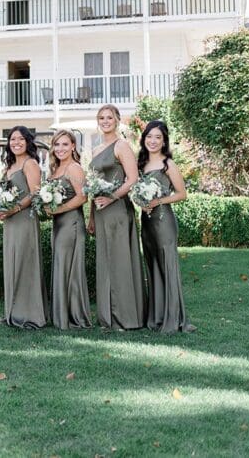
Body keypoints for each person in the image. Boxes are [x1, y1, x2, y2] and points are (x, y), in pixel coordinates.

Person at [88, 104, 146, 330]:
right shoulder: (96, 150)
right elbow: (93, 186)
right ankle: (107, 317)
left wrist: (111, 198)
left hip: (118, 210)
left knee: (120, 262)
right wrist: (91, 217)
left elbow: (132, 179)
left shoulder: (122, 145)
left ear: (117, 120)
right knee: (106, 262)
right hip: (100, 212)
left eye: (109, 117)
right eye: (101, 118)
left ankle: (126, 316)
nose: (105, 121)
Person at [138, 120, 195, 334]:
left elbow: (182, 194)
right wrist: (141, 201)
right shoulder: (141, 164)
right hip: (146, 221)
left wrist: (158, 201)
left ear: (164, 141)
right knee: (152, 265)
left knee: (167, 266)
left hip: (163, 221)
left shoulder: (167, 164)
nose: (152, 141)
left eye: (158, 137)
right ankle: (157, 317)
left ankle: (174, 319)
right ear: (144, 139)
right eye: (149, 136)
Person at [0, 126, 49, 328]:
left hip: (24, 219)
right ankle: (12, 311)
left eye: (20, 139)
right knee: (12, 263)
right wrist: (0, 207)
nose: (16, 143)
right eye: (12, 139)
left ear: (28, 142)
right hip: (10, 221)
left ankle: (29, 314)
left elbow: (35, 193)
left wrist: (15, 208)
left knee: (25, 262)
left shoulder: (30, 163)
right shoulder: (8, 166)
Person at [44, 129, 92, 330]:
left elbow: (82, 197)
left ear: (73, 146)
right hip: (58, 224)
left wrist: (58, 209)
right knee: (61, 265)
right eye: (57, 144)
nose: (60, 148)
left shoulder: (74, 168)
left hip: (71, 223)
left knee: (70, 267)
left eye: (65, 144)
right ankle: (60, 315)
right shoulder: (55, 169)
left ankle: (73, 316)